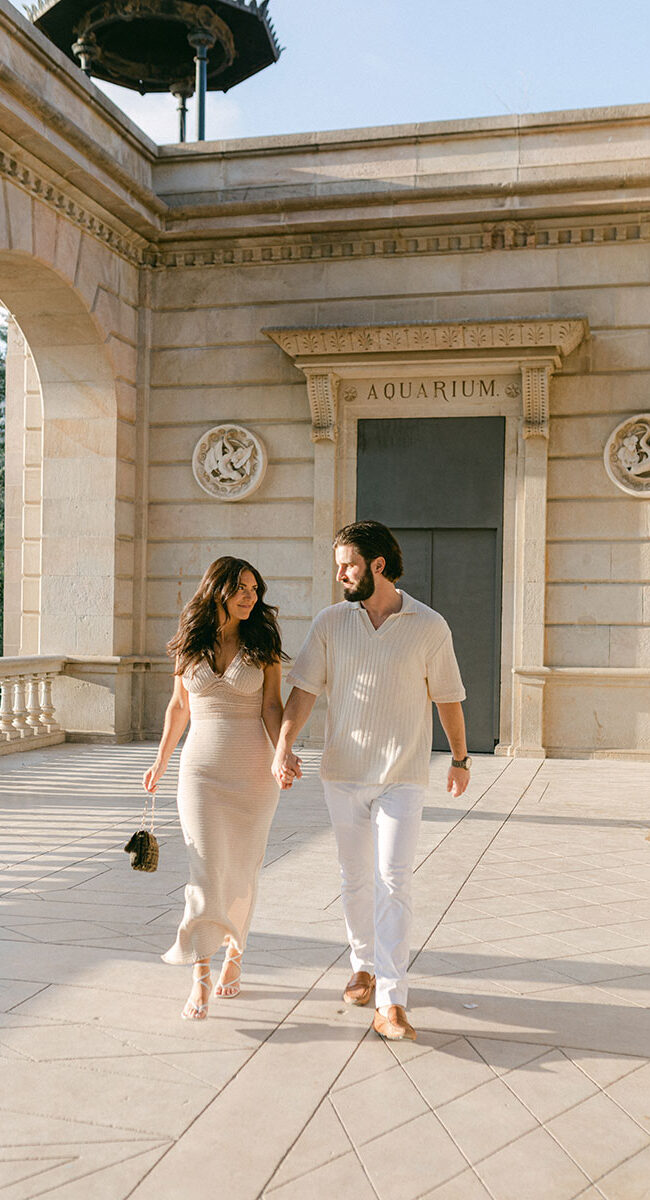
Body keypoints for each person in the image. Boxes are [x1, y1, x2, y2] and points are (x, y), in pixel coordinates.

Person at [272, 521, 470, 1042]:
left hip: (402, 776)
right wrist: (284, 743)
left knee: (393, 879)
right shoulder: (331, 622)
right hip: (343, 774)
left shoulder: (430, 626)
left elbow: (447, 695)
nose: (339, 574)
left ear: (377, 565)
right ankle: (362, 965)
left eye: (348, 565)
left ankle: (392, 999)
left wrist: (460, 758)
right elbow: (304, 691)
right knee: (354, 877)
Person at [143, 556, 289, 1021]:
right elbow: (177, 708)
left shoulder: (262, 642)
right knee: (206, 869)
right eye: (241, 588)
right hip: (200, 773)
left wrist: (284, 752)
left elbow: (271, 706)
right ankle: (200, 974)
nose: (250, 596)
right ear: (217, 590)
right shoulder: (189, 644)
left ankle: (235, 955)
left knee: (242, 870)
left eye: (254, 589)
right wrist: (161, 759)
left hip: (253, 773)